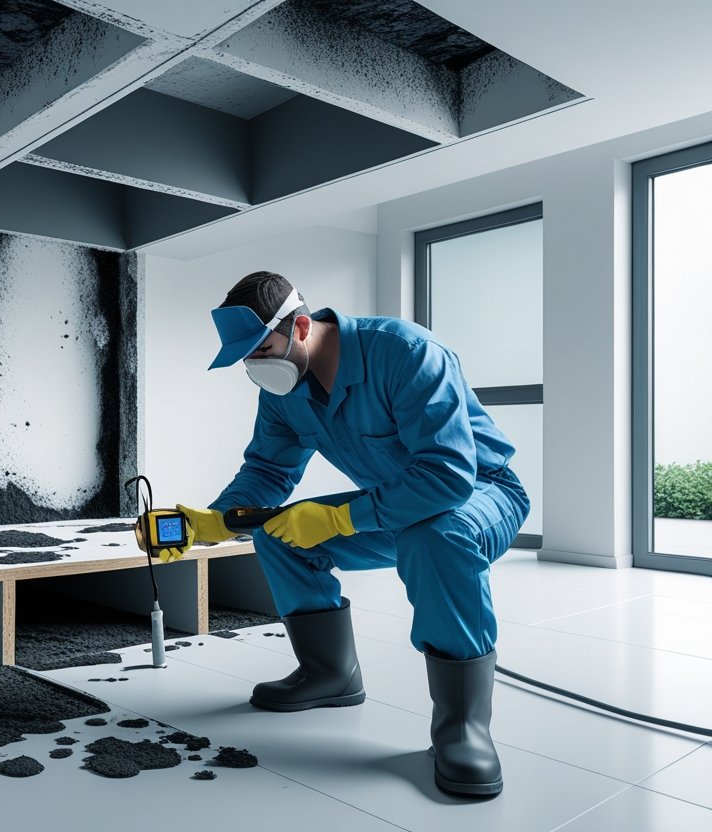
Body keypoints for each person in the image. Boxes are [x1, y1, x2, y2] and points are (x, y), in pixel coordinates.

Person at [169, 270, 529, 798]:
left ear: (299, 326)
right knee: (277, 531)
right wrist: (219, 520)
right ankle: (329, 673)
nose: (255, 365)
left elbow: (449, 476)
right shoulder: (284, 390)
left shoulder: (406, 353)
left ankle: (462, 728)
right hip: (395, 506)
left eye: (260, 348)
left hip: (479, 493)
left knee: (435, 538)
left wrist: (339, 519)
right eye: (245, 357)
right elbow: (268, 471)